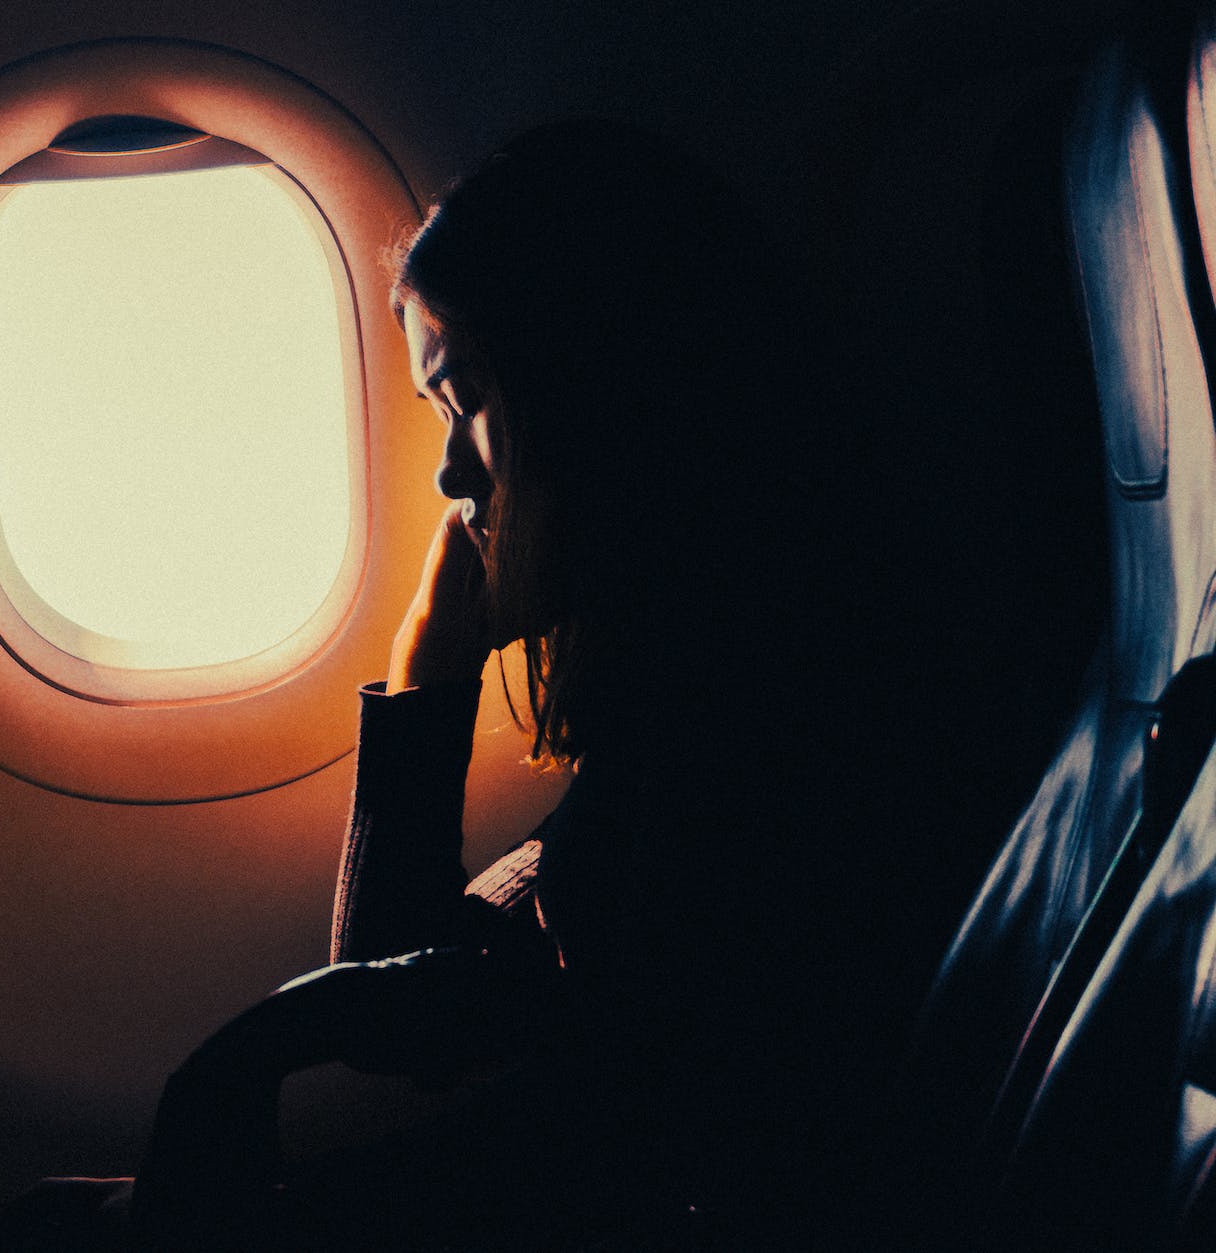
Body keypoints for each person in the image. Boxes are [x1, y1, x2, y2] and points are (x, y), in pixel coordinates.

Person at [109, 120, 937, 1252]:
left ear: (589, 385)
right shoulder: (697, 669)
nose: (451, 473)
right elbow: (412, 996)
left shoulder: (753, 716)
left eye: (464, 400)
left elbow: (585, 1122)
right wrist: (428, 663)